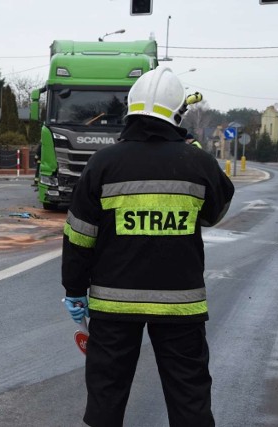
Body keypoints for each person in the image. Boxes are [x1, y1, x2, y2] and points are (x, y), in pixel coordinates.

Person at [61, 66, 234, 427]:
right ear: (177, 114)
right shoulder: (196, 162)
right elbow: (215, 213)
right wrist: (201, 158)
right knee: (190, 399)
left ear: (131, 110)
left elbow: (79, 236)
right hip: (180, 305)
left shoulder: (102, 164)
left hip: (112, 305)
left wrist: (74, 291)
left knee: (106, 398)